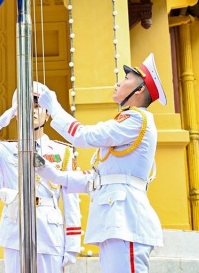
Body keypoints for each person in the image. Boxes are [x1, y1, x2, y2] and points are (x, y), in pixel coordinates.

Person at [35, 54, 167, 273]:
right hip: (115, 221)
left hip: (127, 220)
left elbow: (83, 136)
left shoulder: (136, 119)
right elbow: (96, 179)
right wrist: (52, 174)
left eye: (126, 78)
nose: (118, 82)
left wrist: (55, 109)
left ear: (140, 89)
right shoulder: (128, 123)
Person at [0, 81, 82, 273]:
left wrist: (73, 243)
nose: (33, 111)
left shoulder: (64, 152)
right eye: (26, 107)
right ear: (16, 115)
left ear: (47, 113)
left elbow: (72, 201)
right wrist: (0, 122)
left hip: (49, 232)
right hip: (15, 229)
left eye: (37, 106)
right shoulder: (6, 151)